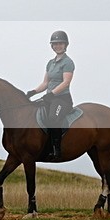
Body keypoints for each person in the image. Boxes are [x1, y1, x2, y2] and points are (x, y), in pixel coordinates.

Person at [25, 30, 75, 160]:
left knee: (53, 118)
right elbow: (45, 83)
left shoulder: (68, 62)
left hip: (62, 100)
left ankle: (57, 150)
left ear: (65, 45)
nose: (58, 46)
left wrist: (52, 94)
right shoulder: (50, 63)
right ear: (52, 46)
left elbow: (66, 82)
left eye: (60, 43)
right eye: (55, 44)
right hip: (50, 98)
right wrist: (33, 92)